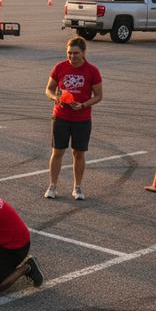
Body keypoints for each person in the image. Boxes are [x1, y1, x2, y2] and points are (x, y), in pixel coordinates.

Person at [44, 36, 103, 200]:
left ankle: (77, 188)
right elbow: (49, 89)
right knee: (57, 152)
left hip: (82, 119)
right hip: (61, 117)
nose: (72, 57)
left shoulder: (92, 71)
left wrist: (83, 105)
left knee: (78, 153)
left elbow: (98, 96)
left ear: (83, 52)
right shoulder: (60, 67)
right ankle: (53, 186)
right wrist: (54, 98)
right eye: (69, 53)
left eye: (76, 53)